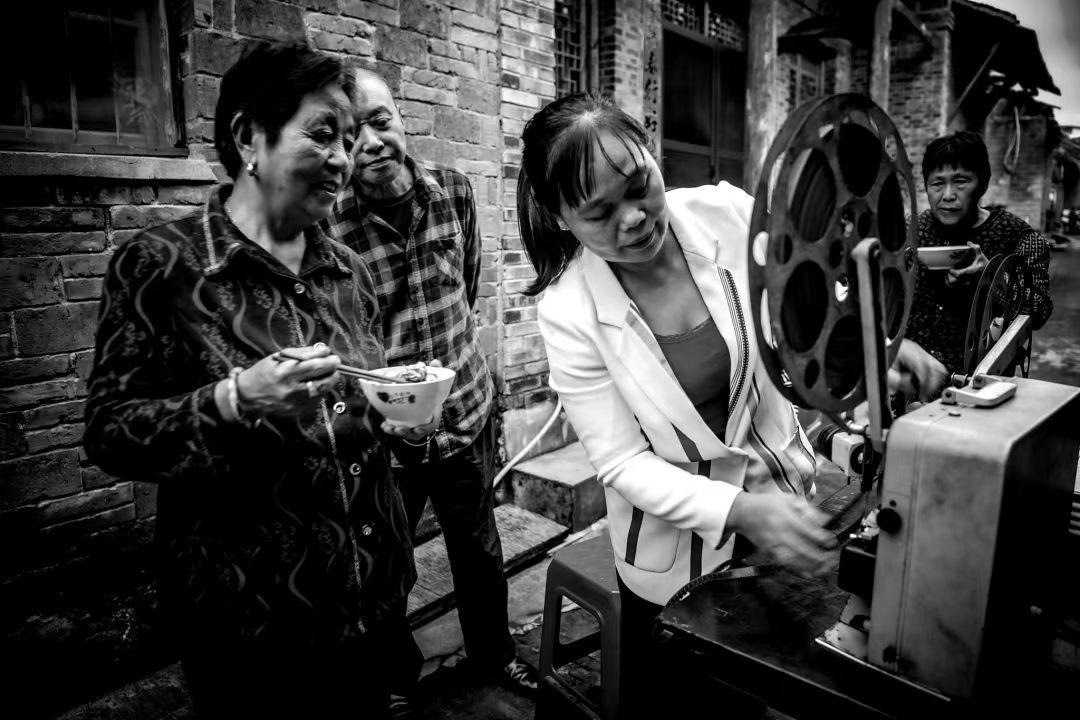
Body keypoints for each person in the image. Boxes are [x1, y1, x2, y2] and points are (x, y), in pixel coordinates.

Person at [517, 94, 947, 716]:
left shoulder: (726, 215)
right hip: (671, 563)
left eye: (639, 185)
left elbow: (810, 304)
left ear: (652, 156)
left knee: (759, 699)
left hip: (783, 511)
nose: (633, 218)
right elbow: (621, 463)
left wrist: (879, 343)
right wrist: (739, 510)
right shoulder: (568, 310)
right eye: (599, 213)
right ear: (561, 219)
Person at [84, 42, 437, 719]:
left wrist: (403, 421)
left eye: (350, 139)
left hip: (373, 600)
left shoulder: (349, 270)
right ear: (249, 136)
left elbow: (361, 420)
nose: (344, 158)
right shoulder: (162, 266)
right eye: (324, 134)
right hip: (253, 627)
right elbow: (109, 433)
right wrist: (236, 399)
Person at [328, 68, 537, 712]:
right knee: (385, 567)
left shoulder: (455, 192)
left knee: (478, 549)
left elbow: (467, 287)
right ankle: (395, 683)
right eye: (350, 133)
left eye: (380, 120)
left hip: (464, 411)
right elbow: (346, 339)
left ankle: (494, 655)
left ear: (400, 117)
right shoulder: (331, 226)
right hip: (388, 434)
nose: (371, 142)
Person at [907, 130, 1053, 376]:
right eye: (937, 184)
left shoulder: (1019, 237)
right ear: (926, 186)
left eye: (961, 181)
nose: (948, 195)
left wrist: (991, 278)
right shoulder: (909, 230)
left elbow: (1038, 312)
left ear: (983, 183)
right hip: (910, 379)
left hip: (980, 384)